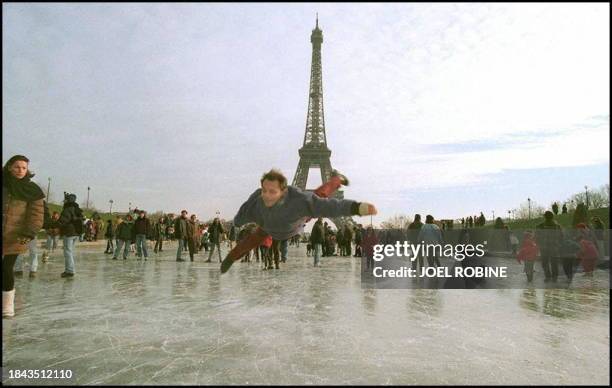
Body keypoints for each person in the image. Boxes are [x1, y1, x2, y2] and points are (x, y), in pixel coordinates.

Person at [220, 169, 377, 273]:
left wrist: (358, 208)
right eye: (264, 191)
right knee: (252, 239)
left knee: (319, 197)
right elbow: (244, 211)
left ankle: (336, 180)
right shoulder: (257, 201)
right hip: (269, 226)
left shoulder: (298, 201)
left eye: (272, 191)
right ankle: (230, 258)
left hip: (296, 219)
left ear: (283, 192)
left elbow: (330, 206)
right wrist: (236, 222)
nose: (267, 195)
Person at [2, 155, 45, 317]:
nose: (20, 170)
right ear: (9, 167)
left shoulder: (32, 190)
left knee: (6, 269)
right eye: (17, 167)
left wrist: (29, 232)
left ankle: (7, 305)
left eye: (24, 168)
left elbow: (36, 215)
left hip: (15, 236)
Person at [58, 192, 84, 278]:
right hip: (76, 233)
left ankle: (70, 270)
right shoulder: (77, 209)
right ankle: (69, 269)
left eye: (65, 200)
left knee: (67, 252)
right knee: (70, 251)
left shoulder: (67, 209)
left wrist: (55, 225)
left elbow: (63, 221)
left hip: (69, 232)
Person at [535, 211, 563, 282]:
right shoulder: (557, 226)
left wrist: (538, 244)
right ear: (552, 217)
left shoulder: (540, 226)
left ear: (545, 217)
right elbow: (561, 236)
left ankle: (548, 276)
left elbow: (536, 237)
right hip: (554, 247)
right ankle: (554, 277)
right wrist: (559, 244)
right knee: (554, 262)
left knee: (545, 263)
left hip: (544, 247)